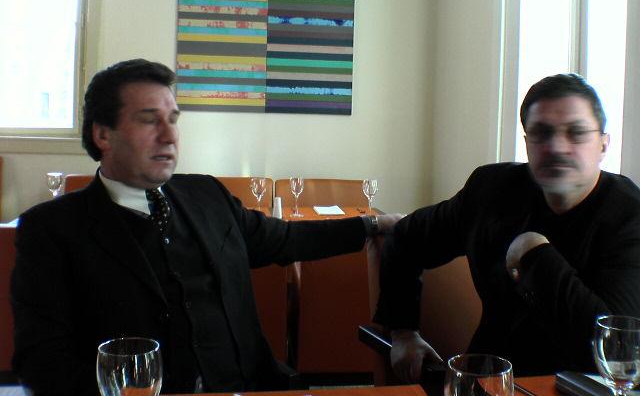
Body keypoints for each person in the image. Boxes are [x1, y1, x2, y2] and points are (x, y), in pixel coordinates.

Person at [11, 59, 401, 396]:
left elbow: (286, 239)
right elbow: (42, 361)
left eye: (173, 120)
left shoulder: (207, 195)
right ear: (102, 134)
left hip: (251, 387)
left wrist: (371, 224)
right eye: (149, 120)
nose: (169, 135)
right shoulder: (51, 230)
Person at [374, 73, 640, 381]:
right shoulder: (491, 191)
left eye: (576, 133)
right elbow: (405, 238)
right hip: (485, 379)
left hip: (579, 387)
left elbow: (616, 350)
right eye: (541, 133)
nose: (557, 147)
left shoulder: (629, 217)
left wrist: (534, 256)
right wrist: (403, 332)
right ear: (526, 144)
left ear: (603, 145)